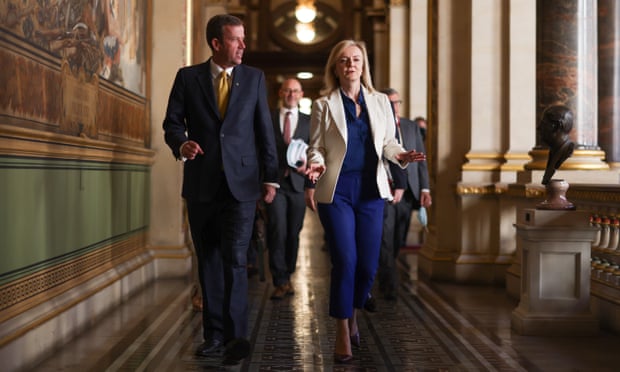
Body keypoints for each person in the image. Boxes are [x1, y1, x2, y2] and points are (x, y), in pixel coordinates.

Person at [162, 14, 279, 365]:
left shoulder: (255, 79)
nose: (243, 45)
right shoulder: (188, 78)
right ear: (216, 43)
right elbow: (171, 122)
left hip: (242, 187)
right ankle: (213, 336)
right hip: (201, 185)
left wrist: (270, 177)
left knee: (234, 259)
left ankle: (236, 336)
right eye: (236, 39)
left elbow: (264, 132)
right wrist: (181, 144)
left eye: (243, 38)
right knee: (209, 261)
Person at [304, 40, 426, 363]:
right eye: (344, 60)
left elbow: (388, 142)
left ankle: (354, 311)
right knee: (345, 258)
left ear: (363, 64)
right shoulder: (323, 104)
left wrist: (402, 155)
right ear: (335, 66)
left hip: (371, 190)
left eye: (356, 59)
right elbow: (316, 147)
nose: (350, 65)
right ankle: (343, 329)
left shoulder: (380, 101)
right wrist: (315, 163)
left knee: (368, 264)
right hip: (337, 190)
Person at [377, 88, 432, 301]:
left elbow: (421, 161)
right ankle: (389, 283)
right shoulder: (378, 126)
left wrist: (424, 189)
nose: (393, 106)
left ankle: (386, 269)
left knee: (399, 237)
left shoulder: (410, 126)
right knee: (385, 238)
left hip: (409, 192)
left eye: (396, 102)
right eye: (389, 103)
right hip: (386, 191)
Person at [267, 78, 311, 300]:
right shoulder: (268, 118)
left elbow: (315, 153)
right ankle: (280, 280)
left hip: (298, 185)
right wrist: (264, 182)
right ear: (280, 93)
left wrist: (309, 174)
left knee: (293, 232)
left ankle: (289, 273)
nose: (291, 95)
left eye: (295, 91)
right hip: (274, 185)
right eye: (287, 91)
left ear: (301, 94)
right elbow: (261, 150)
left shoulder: (309, 121)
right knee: (277, 230)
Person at [538, 105, 575, 185]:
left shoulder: (568, 152)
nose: (539, 127)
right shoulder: (553, 152)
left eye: (543, 124)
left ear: (556, 126)